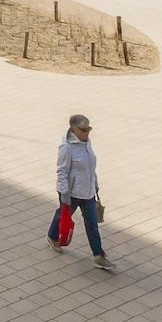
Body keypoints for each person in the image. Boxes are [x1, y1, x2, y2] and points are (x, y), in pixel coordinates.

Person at [48, 114, 113, 271]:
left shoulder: (87, 142)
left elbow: (90, 165)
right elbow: (62, 171)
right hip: (72, 193)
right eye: (83, 130)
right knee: (63, 215)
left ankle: (98, 255)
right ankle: (52, 236)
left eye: (88, 129)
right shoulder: (66, 147)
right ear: (74, 129)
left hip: (88, 192)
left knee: (92, 224)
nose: (87, 132)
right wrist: (64, 193)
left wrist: (94, 183)